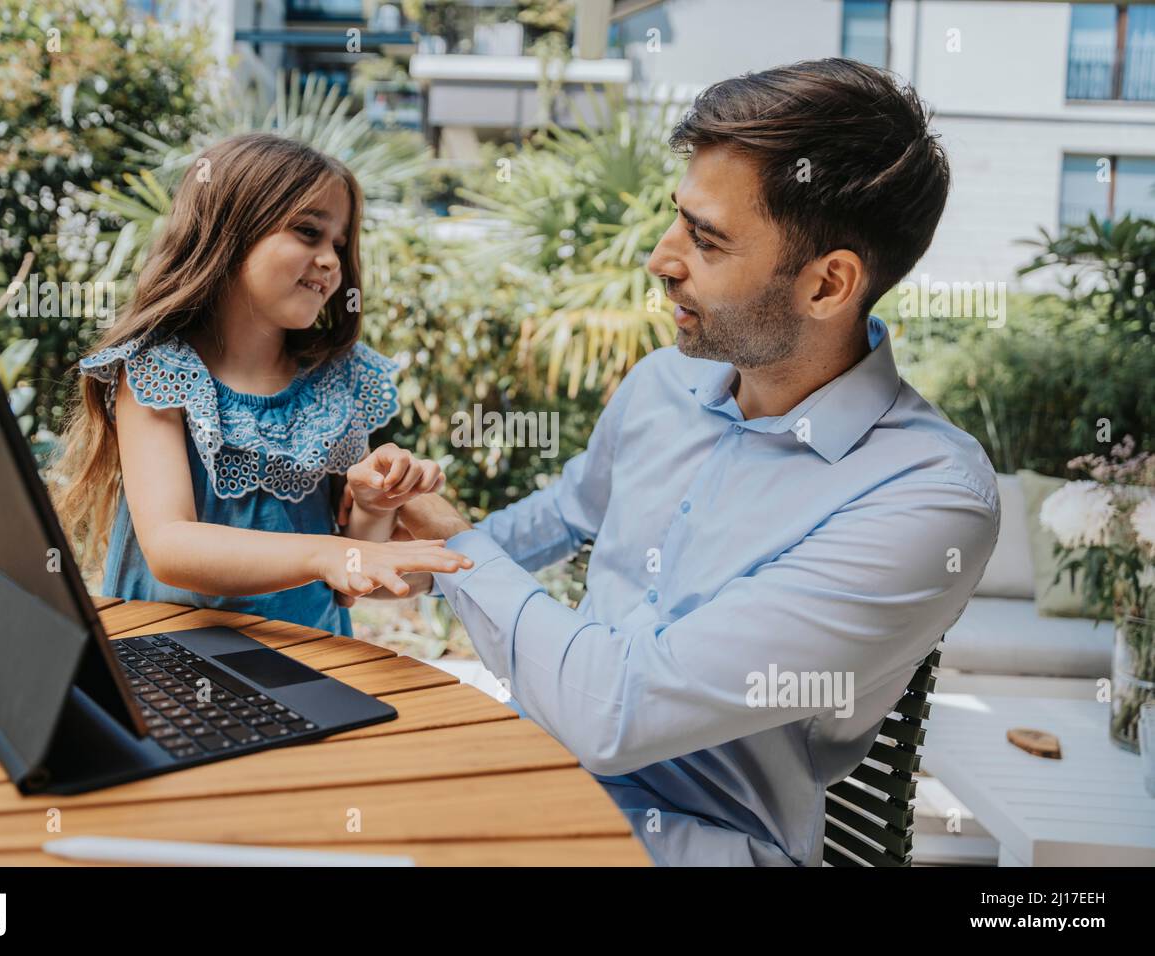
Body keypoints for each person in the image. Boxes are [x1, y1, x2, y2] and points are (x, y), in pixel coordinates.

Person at [393, 59, 1001, 866]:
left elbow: (615, 711)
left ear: (829, 285)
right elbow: (573, 508)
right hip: (540, 783)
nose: (660, 257)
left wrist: (461, 551)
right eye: (677, 218)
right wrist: (413, 552)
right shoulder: (664, 384)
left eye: (706, 238)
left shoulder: (929, 499)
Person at [52, 133, 472, 637]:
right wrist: (329, 552)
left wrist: (371, 508)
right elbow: (170, 545)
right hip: (171, 660)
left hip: (311, 660)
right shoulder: (158, 368)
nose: (331, 261)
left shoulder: (337, 380)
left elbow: (346, 584)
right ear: (230, 230)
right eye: (308, 232)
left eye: (338, 244)